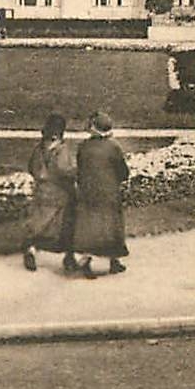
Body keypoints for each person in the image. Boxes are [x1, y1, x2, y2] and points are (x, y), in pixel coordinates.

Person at [71, 110, 129, 277]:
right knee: (112, 226)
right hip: (109, 192)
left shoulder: (84, 147)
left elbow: (80, 170)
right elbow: (123, 172)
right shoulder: (114, 147)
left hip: (88, 192)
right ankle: (114, 261)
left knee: (91, 226)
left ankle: (87, 260)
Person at [22, 113, 78, 273]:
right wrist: (76, 172)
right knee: (67, 224)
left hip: (42, 190)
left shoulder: (39, 148)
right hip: (59, 192)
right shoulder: (62, 149)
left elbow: (31, 167)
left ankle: (31, 249)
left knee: (39, 224)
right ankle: (69, 257)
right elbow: (63, 169)